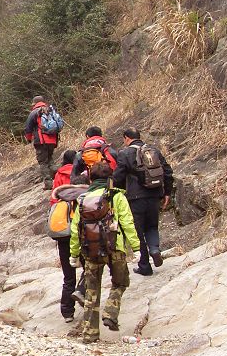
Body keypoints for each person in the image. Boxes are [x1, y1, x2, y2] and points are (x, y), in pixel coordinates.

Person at [70, 161, 141, 344]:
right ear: (110, 178)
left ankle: (90, 334)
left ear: (91, 179)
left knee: (91, 292)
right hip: (114, 247)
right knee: (120, 282)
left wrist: (74, 254)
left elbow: (75, 229)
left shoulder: (83, 200)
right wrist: (136, 247)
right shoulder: (116, 196)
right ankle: (110, 311)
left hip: (91, 250)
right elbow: (127, 222)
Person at [112, 127, 174, 276]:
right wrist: (167, 193)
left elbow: (118, 178)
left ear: (126, 138)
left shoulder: (125, 153)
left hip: (135, 198)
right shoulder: (153, 151)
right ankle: (154, 249)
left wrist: (117, 196)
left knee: (138, 231)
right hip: (154, 195)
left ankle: (145, 266)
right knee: (152, 226)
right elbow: (167, 171)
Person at [50, 149, 86, 323]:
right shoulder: (83, 175)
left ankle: (67, 313)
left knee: (68, 275)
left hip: (64, 230)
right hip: (82, 231)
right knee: (89, 269)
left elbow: (53, 201)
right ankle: (83, 294)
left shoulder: (59, 175)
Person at [24, 96, 63, 189]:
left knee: (43, 162)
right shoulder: (50, 110)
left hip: (41, 141)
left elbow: (27, 128)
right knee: (50, 159)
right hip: (53, 140)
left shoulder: (34, 113)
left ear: (34, 104)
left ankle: (49, 184)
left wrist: (29, 139)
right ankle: (61, 177)